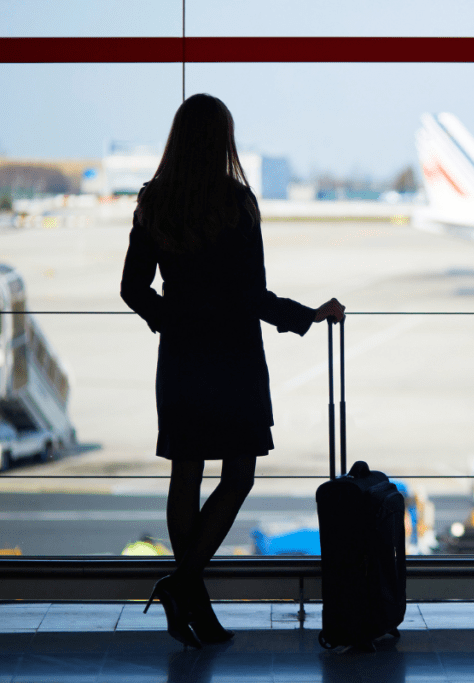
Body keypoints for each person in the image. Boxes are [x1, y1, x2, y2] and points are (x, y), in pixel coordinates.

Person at [120, 93, 344, 648]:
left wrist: (169, 318)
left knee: (186, 477)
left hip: (183, 357)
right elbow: (252, 293)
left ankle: (187, 594)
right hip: (234, 357)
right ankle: (185, 589)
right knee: (238, 475)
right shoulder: (236, 202)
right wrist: (307, 316)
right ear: (222, 139)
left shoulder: (156, 201)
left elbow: (132, 288)